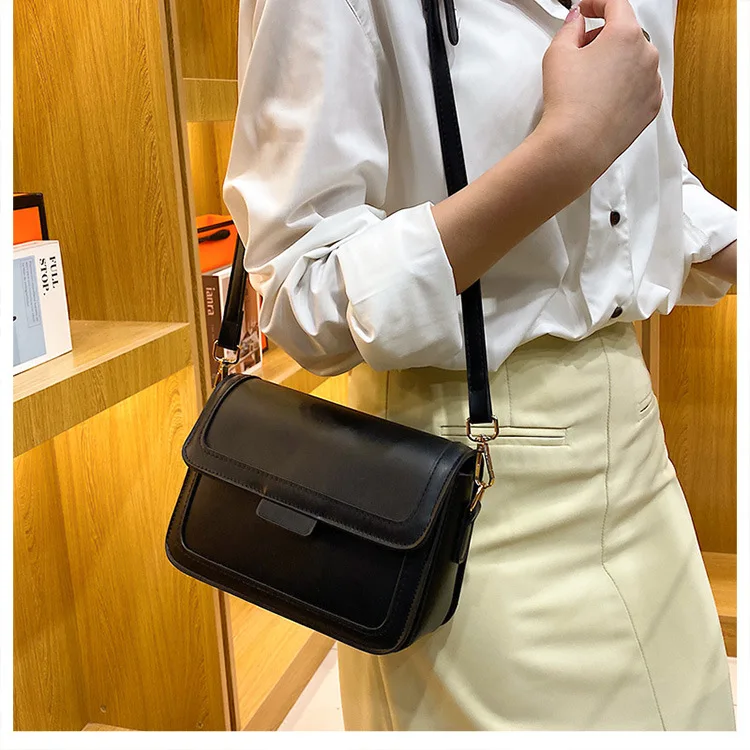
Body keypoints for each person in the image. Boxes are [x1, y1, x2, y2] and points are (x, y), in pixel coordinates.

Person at [223, 0, 737, 731]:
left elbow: (641, 190)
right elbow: (302, 289)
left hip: (638, 463)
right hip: (469, 492)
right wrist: (564, 150)